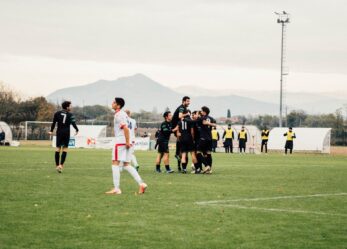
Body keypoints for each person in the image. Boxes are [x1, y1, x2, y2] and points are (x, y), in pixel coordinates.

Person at [105, 98, 147, 195]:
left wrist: (127, 142)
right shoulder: (124, 114)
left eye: (114, 102)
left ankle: (116, 188)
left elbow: (126, 129)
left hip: (121, 141)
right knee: (126, 164)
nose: (112, 103)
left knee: (115, 163)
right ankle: (141, 183)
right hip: (128, 141)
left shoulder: (119, 114)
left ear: (118, 105)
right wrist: (128, 142)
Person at [49, 101, 79, 173]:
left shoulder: (57, 113)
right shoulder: (70, 114)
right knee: (65, 149)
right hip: (66, 133)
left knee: (57, 149)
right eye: (70, 106)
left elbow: (54, 123)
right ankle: (61, 165)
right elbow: (73, 123)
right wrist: (77, 129)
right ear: (67, 107)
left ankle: (57, 165)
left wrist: (51, 130)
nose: (71, 107)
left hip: (59, 132)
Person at [192, 106, 216, 174]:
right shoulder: (211, 118)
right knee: (208, 153)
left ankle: (206, 165)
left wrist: (196, 114)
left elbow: (195, 118)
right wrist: (209, 123)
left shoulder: (201, 118)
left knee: (198, 152)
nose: (200, 112)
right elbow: (215, 125)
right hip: (210, 138)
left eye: (201, 111)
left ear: (204, 112)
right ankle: (210, 169)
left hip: (203, 138)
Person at [171, 96, 191, 172]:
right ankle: (177, 154)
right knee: (181, 146)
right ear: (183, 101)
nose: (189, 102)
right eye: (187, 101)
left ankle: (180, 165)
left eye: (189, 101)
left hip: (178, 127)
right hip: (177, 128)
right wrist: (187, 114)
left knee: (182, 147)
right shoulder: (182, 107)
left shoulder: (183, 108)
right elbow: (180, 116)